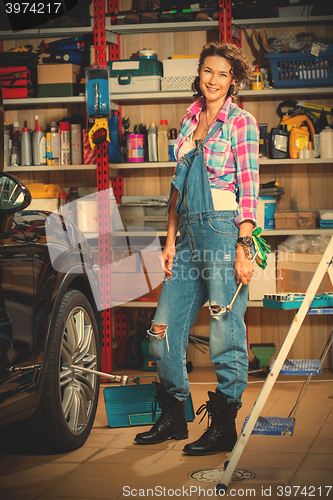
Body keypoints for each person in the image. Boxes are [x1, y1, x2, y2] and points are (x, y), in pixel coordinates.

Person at [135, 41, 259, 456]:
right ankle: (173, 416)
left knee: (225, 331)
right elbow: (177, 189)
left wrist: (245, 244)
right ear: (199, 74)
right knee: (162, 331)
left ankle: (224, 425)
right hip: (186, 235)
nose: (214, 79)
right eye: (208, 71)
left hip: (224, 233)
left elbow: (250, 191)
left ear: (233, 81)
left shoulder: (241, 123)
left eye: (223, 74)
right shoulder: (189, 124)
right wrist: (169, 241)